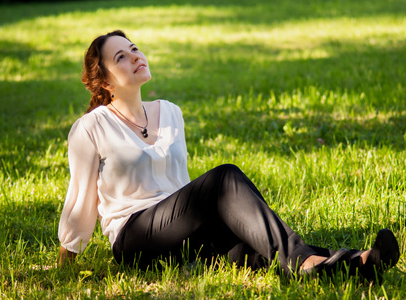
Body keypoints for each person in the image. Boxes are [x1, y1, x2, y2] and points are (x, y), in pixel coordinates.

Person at [57, 30, 400, 282]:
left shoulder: (170, 112)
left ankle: (357, 264)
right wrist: (65, 265)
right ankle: (305, 263)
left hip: (180, 232)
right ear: (103, 82)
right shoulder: (91, 127)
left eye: (134, 49)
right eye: (120, 57)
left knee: (253, 242)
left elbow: (178, 186)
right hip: (135, 239)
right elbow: (80, 202)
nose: (134, 56)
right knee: (223, 179)